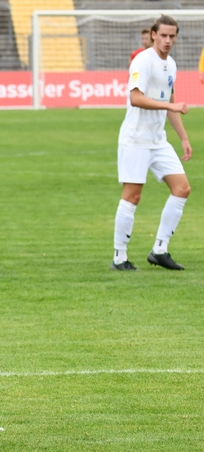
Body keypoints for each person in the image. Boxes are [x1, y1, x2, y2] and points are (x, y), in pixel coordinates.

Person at [112, 15, 191, 271]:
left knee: (182, 189)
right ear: (153, 35)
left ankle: (159, 249)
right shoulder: (142, 60)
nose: (168, 40)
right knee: (132, 197)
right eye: (164, 35)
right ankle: (119, 257)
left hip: (158, 141)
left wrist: (183, 137)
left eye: (172, 36)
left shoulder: (172, 65)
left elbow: (168, 102)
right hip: (135, 139)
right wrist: (170, 104)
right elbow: (136, 98)